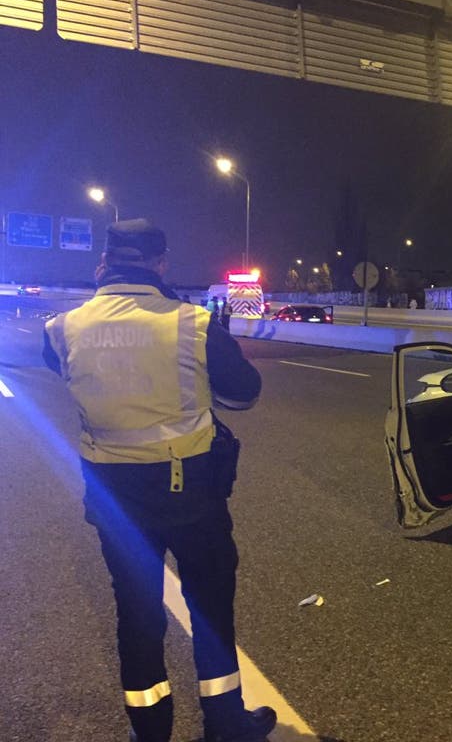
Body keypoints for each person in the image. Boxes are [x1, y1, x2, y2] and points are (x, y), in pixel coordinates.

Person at [42, 220, 275, 742]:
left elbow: (67, 372)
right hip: (191, 492)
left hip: (115, 500)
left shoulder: (62, 328)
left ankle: (149, 732)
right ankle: (225, 725)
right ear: (160, 263)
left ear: (103, 263)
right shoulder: (191, 324)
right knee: (210, 609)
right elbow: (245, 394)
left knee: (137, 615)